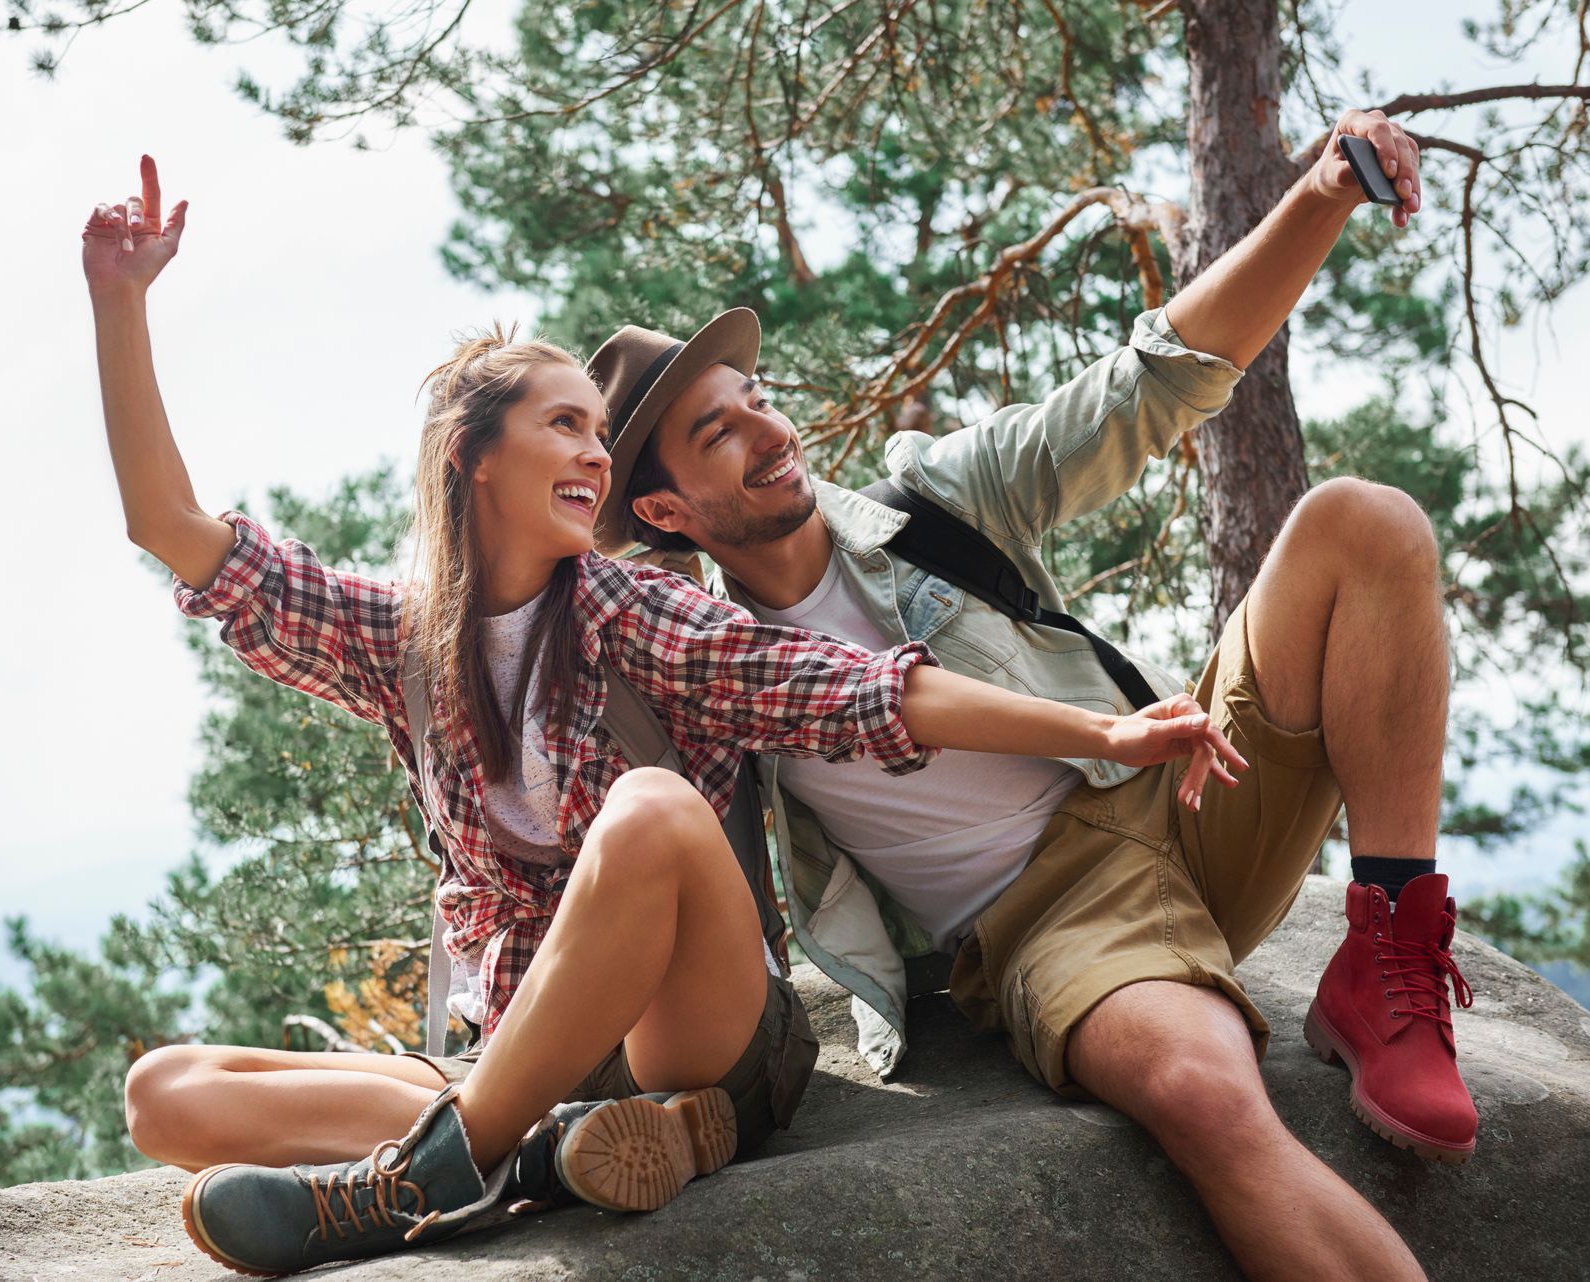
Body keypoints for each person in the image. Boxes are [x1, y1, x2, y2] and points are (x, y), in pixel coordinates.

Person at [78, 155, 1246, 1274]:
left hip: (698, 1039)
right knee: (165, 1093)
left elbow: (853, 690)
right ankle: (538, 1152)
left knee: (647, 811)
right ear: (474, 461)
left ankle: (431, 1174)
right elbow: (172, 527)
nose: (594, 452)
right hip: (541, 1061)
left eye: (600, 428)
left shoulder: (634, 604)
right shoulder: (404, 639)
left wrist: (1098, 731)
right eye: (565, 426)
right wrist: (119, 302)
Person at [592, 108, 1466, 1282]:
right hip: (1052, 915)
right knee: (1202, 1094)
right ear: (663, 512)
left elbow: (1150, 384)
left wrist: (1320, 192)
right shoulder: (697, 672)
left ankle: (1390, 948)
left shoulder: (927, 504)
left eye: (755, 395)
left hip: (1182, 781)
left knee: (1364, 522)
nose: (765, 428)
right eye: (717, 432)